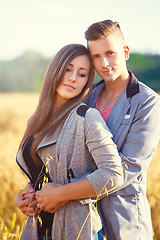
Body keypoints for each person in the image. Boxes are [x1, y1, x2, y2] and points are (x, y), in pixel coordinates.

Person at [15, 43, 123, 240]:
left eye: (82, 74)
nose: (73, 78)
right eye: (67, 69)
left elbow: (113, 174)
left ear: (86, 83)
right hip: (37, 230)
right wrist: (24, 196)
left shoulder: (86, 117)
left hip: (76, 229)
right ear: (55, 70)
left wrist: (62, 193)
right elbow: (44, 173)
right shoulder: (35, 121)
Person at [84, 20, 160, 240]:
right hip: (85, 220)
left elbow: (128, 167)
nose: (104, 63)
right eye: (96, 56)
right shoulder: (87, 97)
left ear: (125, 52)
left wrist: (68, 190)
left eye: (110, 53)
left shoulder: (147, 102)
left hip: (125, 220)